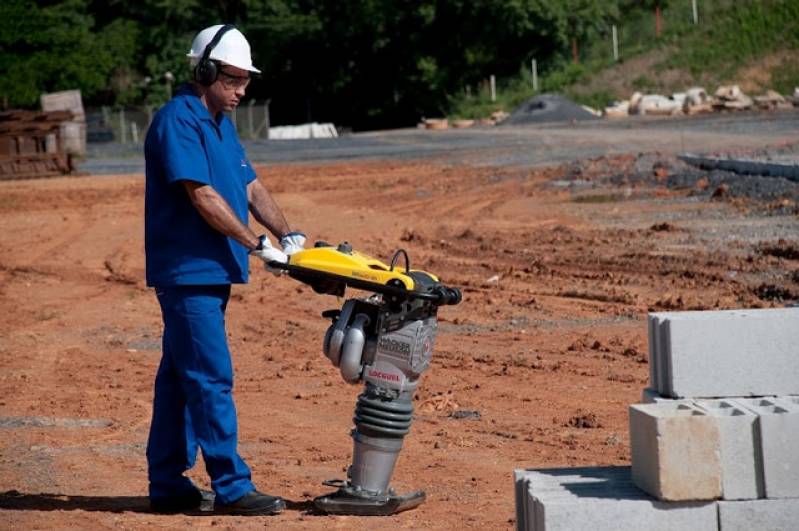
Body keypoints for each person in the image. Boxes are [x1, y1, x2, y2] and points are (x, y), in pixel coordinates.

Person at [143, 24, 304, 516]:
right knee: (212, 376)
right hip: (187, 272)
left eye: (246, 82)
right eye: (232, 80)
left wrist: (288, 234)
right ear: (206, 71)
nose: (241, 90)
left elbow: (250, 186)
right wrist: (256, 244)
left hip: (212, 273)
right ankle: (232, 487)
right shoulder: (179, 119)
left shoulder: (222, 124)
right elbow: (202, 196)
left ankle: (167, 484)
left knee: (180, 378)